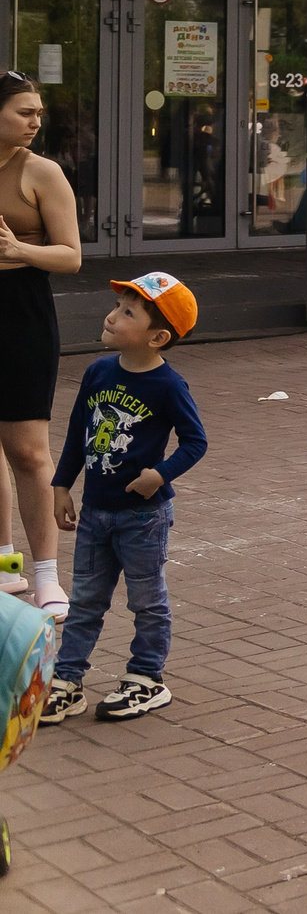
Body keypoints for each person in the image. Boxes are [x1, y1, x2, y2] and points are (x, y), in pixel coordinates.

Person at [39, 272, 204, 726]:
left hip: (144, 517)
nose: (112, 316)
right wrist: (60, 486)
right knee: (86, 599)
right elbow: (78, 434)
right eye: (116, 306)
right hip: (95, 513)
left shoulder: (168, 386)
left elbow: (195, 441)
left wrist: (160, 474)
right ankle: (66, 683)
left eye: (127, 312)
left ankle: (146, 679)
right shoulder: (98, 372)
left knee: (147, 601)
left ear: (158, 337)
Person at [0, 72, 81, 614]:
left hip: (21, 313)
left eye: (38, 113)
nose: (35, 122)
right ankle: (7, 567)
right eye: (24, 112)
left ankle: (48, 576)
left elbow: (71, 255)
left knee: (28, 451)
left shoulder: (41, 172)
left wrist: (18, 249)